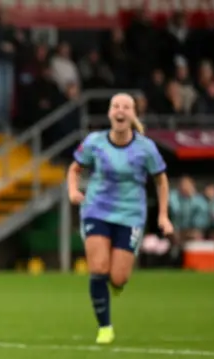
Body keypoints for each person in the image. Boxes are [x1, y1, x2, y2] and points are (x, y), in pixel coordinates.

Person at [66, 93, 173, 345]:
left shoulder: (145, 148)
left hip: (130, 214)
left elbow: (161, 179)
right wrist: (73, 190)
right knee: (98, 268)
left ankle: (116, 283)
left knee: (118, 277)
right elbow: (74, 168)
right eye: (116, 106)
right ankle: (105, 327)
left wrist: (163, 216)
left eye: (126, 107)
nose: (120, 110)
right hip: (96, 210)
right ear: (110, 113)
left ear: (133, 114)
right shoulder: (95, 142)